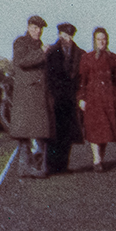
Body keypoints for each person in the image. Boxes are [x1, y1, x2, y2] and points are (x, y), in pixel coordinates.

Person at [76, 26, 116, 172]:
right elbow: (82, 80)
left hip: (109, 98)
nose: (101, 42)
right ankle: (96, 159)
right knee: (94, 130)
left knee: (106, 131)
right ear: (94, 41)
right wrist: (81, 98)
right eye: (98, 39)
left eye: (104, 39)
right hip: (93, 98)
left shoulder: (113, 58)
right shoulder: (87, 58)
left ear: (107, 40)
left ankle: (101, 158)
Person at [8, 15, 54, 177]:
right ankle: (32, 168)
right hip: (27, 96)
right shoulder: (21, 42)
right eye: (35, 28)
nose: (38, 31)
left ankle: (28, 167)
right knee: (29, 132)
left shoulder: (38, 44)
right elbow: (23, 61)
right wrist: (41, 52)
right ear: (28, 27)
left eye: (40, 29)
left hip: (36, 96)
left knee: (33, 132)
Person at [45, 22, 84, 173]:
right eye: (63, 35)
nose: (65, 39)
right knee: (54, 133)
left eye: (68, 36)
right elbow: (48, 75)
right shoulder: (51, 52)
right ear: (59, 35)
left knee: (67, 134)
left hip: (70, 99)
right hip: (55, 98)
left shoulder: (80, 53)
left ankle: (63, 166)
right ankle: (51, 165)